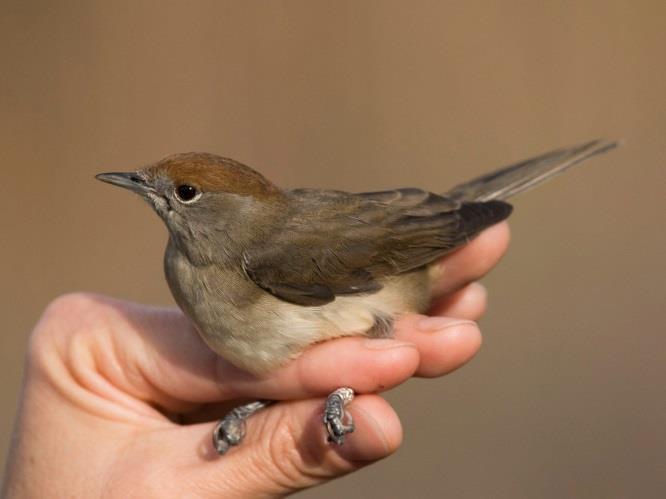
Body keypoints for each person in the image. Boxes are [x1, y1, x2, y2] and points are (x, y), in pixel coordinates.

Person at [1, 224, 509, 498]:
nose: (157, 196)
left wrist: (341, 393)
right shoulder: (187, 267)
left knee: (366, 359)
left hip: (403, 271)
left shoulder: (272, 258)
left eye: (185, 194)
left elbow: (371, 325)